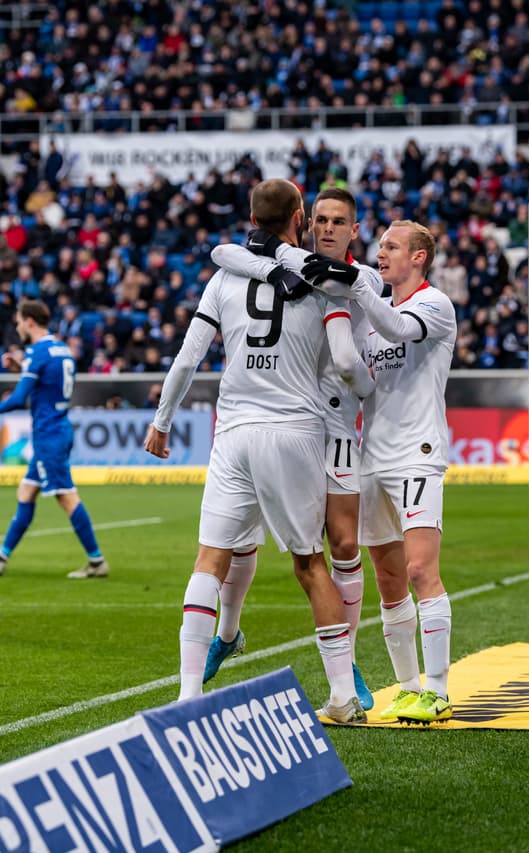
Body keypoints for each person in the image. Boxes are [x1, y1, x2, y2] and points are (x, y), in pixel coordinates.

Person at [144, 178, 370, 723]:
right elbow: (344, 358)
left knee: (210, 559)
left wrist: (162, 422)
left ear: (251, 216)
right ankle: (342, 696)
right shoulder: (322, 281)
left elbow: (187, 359)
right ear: (299, 217)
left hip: (233, 431)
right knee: (310, 563)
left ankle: (188, 694)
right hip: (295, 429)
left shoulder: (223, 278)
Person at [201, 186, 377, 711]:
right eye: (319, 219)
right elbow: (224, 252)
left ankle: (351, 665)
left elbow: (348, 358)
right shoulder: (295, 267)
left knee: (341, 545)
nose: (326, 228)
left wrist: (368, 392)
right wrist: (277, 257)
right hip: (287, 421)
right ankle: (228, 633)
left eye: (337, 221)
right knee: (240, 536)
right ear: (305, 222)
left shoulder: (358, 280)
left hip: (338, 424)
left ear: (353, 230)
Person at [301, 220, 457, 724]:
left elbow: (398, 330)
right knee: (390, 579)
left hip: (418, 452)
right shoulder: (375, 313)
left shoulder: (434, 305)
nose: (381, 253)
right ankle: (408, 687)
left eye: (391, 247)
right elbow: (367, 383)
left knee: (419, 571)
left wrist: (359, 283)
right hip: (373, 456)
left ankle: (438, 689)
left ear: (419, 258)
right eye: (380, 247)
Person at [0, 300, 108, 579]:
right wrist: (23, 366)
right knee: (26, 491)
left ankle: (96, 561)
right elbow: (49, 381)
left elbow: (20, 398)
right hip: (58, 427)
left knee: (66, 496)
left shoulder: (37, 351)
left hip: (48, 435)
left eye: (19, 321)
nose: (17, 326)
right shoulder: (61, 349)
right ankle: (0, 557)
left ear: (30, 321)